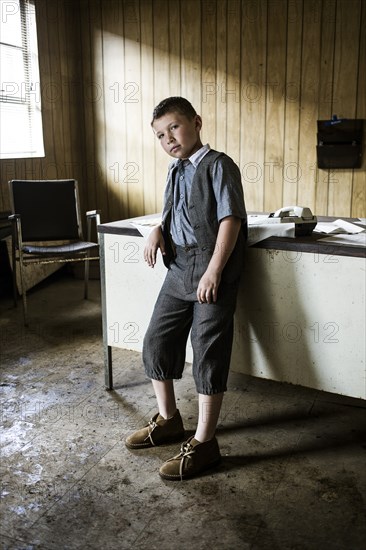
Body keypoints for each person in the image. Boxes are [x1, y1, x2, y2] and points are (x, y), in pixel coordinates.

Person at [125, 96, 247, 480]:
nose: (169, 139)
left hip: (213, 267)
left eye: (174, 128)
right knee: (157, 341)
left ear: (196, 122)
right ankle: (168, 419)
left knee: (207, 349)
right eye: (161, 135)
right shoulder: (176, 169)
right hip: (179, 268)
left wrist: (214, 271)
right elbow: (174, 210)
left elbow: (231, 219)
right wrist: (157, 230)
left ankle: (206, 443)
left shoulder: (219, 165)